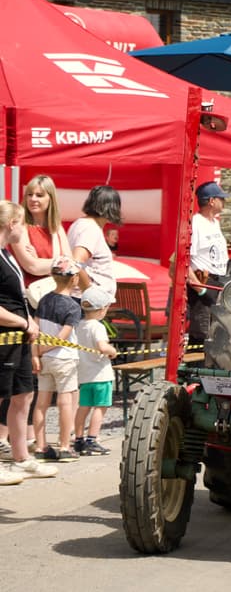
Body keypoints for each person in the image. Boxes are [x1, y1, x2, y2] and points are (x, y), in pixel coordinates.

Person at [5, 174, 71, 454]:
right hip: (28, 305)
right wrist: (56, 262)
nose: (33, 199)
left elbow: (72, 264)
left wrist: (54, 263)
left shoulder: (57, 229)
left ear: (50, 199)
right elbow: (30, 264)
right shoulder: (21, 227)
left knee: (35, 374)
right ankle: (13, 437)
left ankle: (29, 437)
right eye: (30, 193)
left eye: (40, 195)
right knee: (21, 373)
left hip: (51, 306)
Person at [0, 200, 57, 483]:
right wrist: (22, 322)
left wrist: (28, 320)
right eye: (21, 223)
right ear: (11, 224)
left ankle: (21, 457)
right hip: (5, 338)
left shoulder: (7, 255)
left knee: (23, 394)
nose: (24, 229)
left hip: (19, 337)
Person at [32, 256, 82, 462]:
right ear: (74, 279)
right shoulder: (73, 307)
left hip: (44, 361)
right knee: (66, 401)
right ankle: (63, 445)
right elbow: (62, 338)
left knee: (41, 403)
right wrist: (43, 350)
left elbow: (35, 329)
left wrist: (36, 354)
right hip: (64, 359)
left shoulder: (43, 300)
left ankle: (41, 446)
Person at [73, 286, 117, 456]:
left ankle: (78, 439)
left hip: (84, 375)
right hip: (101, 375)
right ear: (101, 310)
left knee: (83, 407)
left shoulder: (79, 325)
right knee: (100, 407)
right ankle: (92, 438)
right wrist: (112, 351)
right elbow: (101, 346)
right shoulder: (97, 327)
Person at [187, 181, 230, 349]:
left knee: (217, 333)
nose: (224, 202)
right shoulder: (196, 223)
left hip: (218, 281)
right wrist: (201, 289)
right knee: (201, 334)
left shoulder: (215, 223)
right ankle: (193, 372)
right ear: (212, 201)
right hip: (204, 282)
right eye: (221, 198)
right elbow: (184, 260)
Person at [68, 185, 122, 299]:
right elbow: (76, 263)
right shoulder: (90, 228)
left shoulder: (79, 224)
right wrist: (89, 294)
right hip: (84, 301)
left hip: (80, 297)